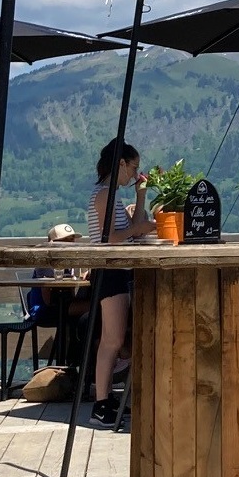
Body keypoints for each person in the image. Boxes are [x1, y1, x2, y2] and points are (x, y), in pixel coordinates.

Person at [87, 139, 155, 425]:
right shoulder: (104, 195)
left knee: (114, 339)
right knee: (112, 340)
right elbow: (109, 239)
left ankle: (107, 400)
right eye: (133, 167)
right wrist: (139, 228)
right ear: (121, 164)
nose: (134, 174)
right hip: (108, 270)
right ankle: (101, 404)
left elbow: (129, 230)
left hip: (117, 270)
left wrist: (140, 199)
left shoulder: (112, 196)